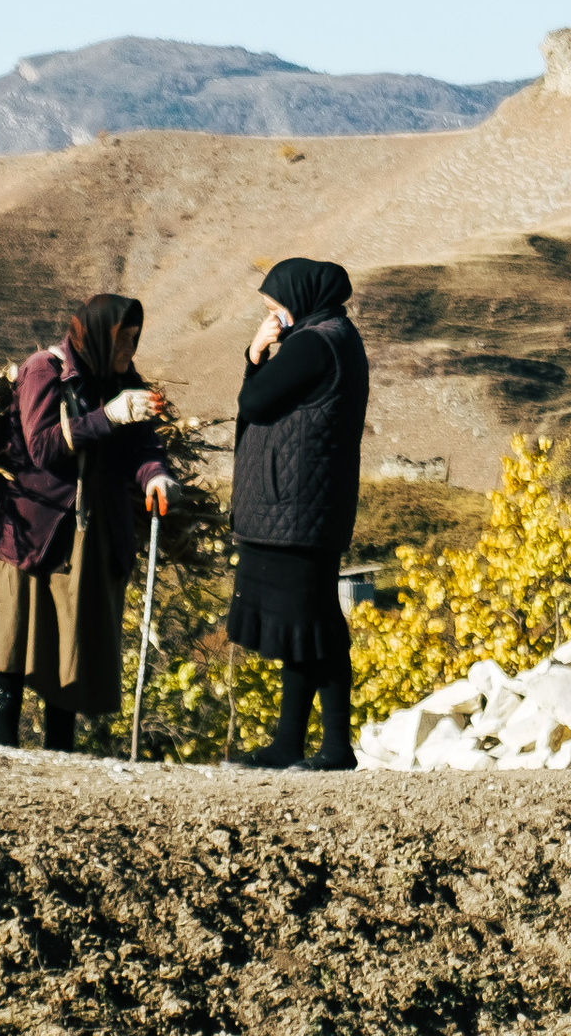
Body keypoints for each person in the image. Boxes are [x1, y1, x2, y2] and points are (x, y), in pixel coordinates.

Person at [0, 291, 172, 751]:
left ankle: (59, 753)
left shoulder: (125, 380)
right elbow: (42, 447)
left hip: (86, 533)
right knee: (13, 640)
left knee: (66, 643)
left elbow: (141, 447)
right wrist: (109, 416)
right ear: (99, 335)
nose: (129, 351)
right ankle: (3, 749)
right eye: (123, 340)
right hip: (31, 529)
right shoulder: (45, 370)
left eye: (135, 341)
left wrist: (155, 475)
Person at [226, 256, 370, 770]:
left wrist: (256, 352)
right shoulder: (338, 336)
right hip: (306, 506)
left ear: (300, 300)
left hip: (293, 506)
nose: (274, 316)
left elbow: (255, 401)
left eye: (277, 308)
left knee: (315, 626)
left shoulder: (314, 343)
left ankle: (332, 747)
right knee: (304, 627)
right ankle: (296, 742)